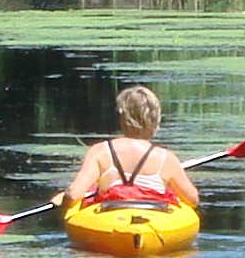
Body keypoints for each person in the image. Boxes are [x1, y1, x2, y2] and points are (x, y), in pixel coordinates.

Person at [52, 85, 200, 210]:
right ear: (155, 118)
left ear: (123, 117)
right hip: (153, 218)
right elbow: (192, 200)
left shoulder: (100, 151)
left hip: (109, 218)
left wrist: (63, 202)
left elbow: (73, 195)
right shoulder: (165, 157)